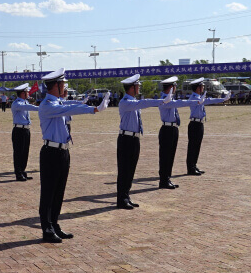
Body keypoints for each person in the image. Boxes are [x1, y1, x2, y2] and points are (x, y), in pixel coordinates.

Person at [38, 68, 109, 243]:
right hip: (51, 152)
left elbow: (71, 106)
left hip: (63, 151)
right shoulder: (47, 105)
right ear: (56, 85)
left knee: (59, 192)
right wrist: (94, 109)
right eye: (63, 84)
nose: (65, 87)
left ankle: (54, 224)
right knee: (48, 192)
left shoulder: (59, 104)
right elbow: (71, 108)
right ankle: (46, 228)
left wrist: (92, 108)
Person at [117, 74, 171, 210]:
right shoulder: (125, 102)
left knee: (131, 169)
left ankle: (126, 196)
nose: (139, 87)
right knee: (124, 170)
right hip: (126, 139)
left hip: (134, 138)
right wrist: (162, 101)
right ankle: (121, 199)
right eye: (137, 85)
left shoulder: (133, 102)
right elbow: (144, 102)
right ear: (132, 87)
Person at [157, 76, 202, 189]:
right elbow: (178, 103)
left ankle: (167, 179)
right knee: (165, 157)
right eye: (175, 86)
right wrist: (193, 101)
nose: (176, 88)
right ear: (172, 87)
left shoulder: (169, 98)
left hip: (173, 128)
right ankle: (163, 180)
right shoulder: (164, 99)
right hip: (167, 129)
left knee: (170, 156)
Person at [186, 78, 230, 175]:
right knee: (192, 147)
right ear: (198, 88)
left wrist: (223, 99)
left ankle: (194, 165)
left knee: (197, 146)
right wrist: (201, 100)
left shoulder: (199, 97)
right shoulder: (193, 97)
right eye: (202, 86)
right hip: (194, 124)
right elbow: (201, 101)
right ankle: (190, 168)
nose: (203, 88)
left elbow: (208, 100)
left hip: (200, 123)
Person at [11, 83, 38, 181]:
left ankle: (22, 171)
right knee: (18, 152)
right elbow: (29, 107)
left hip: (26, 129)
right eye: (27, 92)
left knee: (25, 151)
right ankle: (18, 173)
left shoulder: (25, 102)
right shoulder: (17, 103)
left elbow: (29, 106)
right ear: (22, 93)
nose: (28, 93)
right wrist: (41, 108)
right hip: (19, 130)